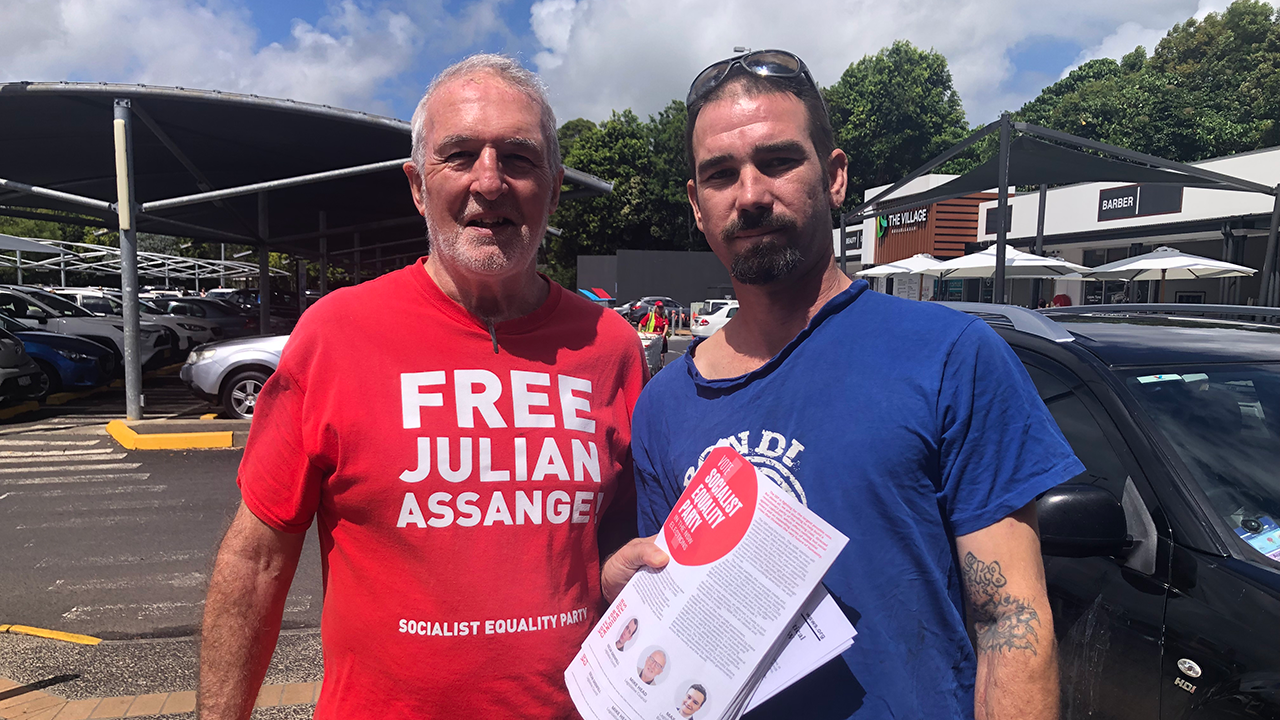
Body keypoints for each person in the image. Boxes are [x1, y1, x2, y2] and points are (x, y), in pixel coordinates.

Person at [628, 49, 1084, 719]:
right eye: (721, 174)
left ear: (835, 176)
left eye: (778, 161)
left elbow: (1010, 623)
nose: (750, 195)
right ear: (698, 205)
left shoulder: (950, 357)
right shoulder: (664, 404)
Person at [197, 54, 650, 720]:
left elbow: (617, 542)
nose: (489, 182)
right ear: (417, 186)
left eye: (518, 158)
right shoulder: (336, 333)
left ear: (554, 190)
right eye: (459, 155)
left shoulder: (610, 346)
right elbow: (257, 560)